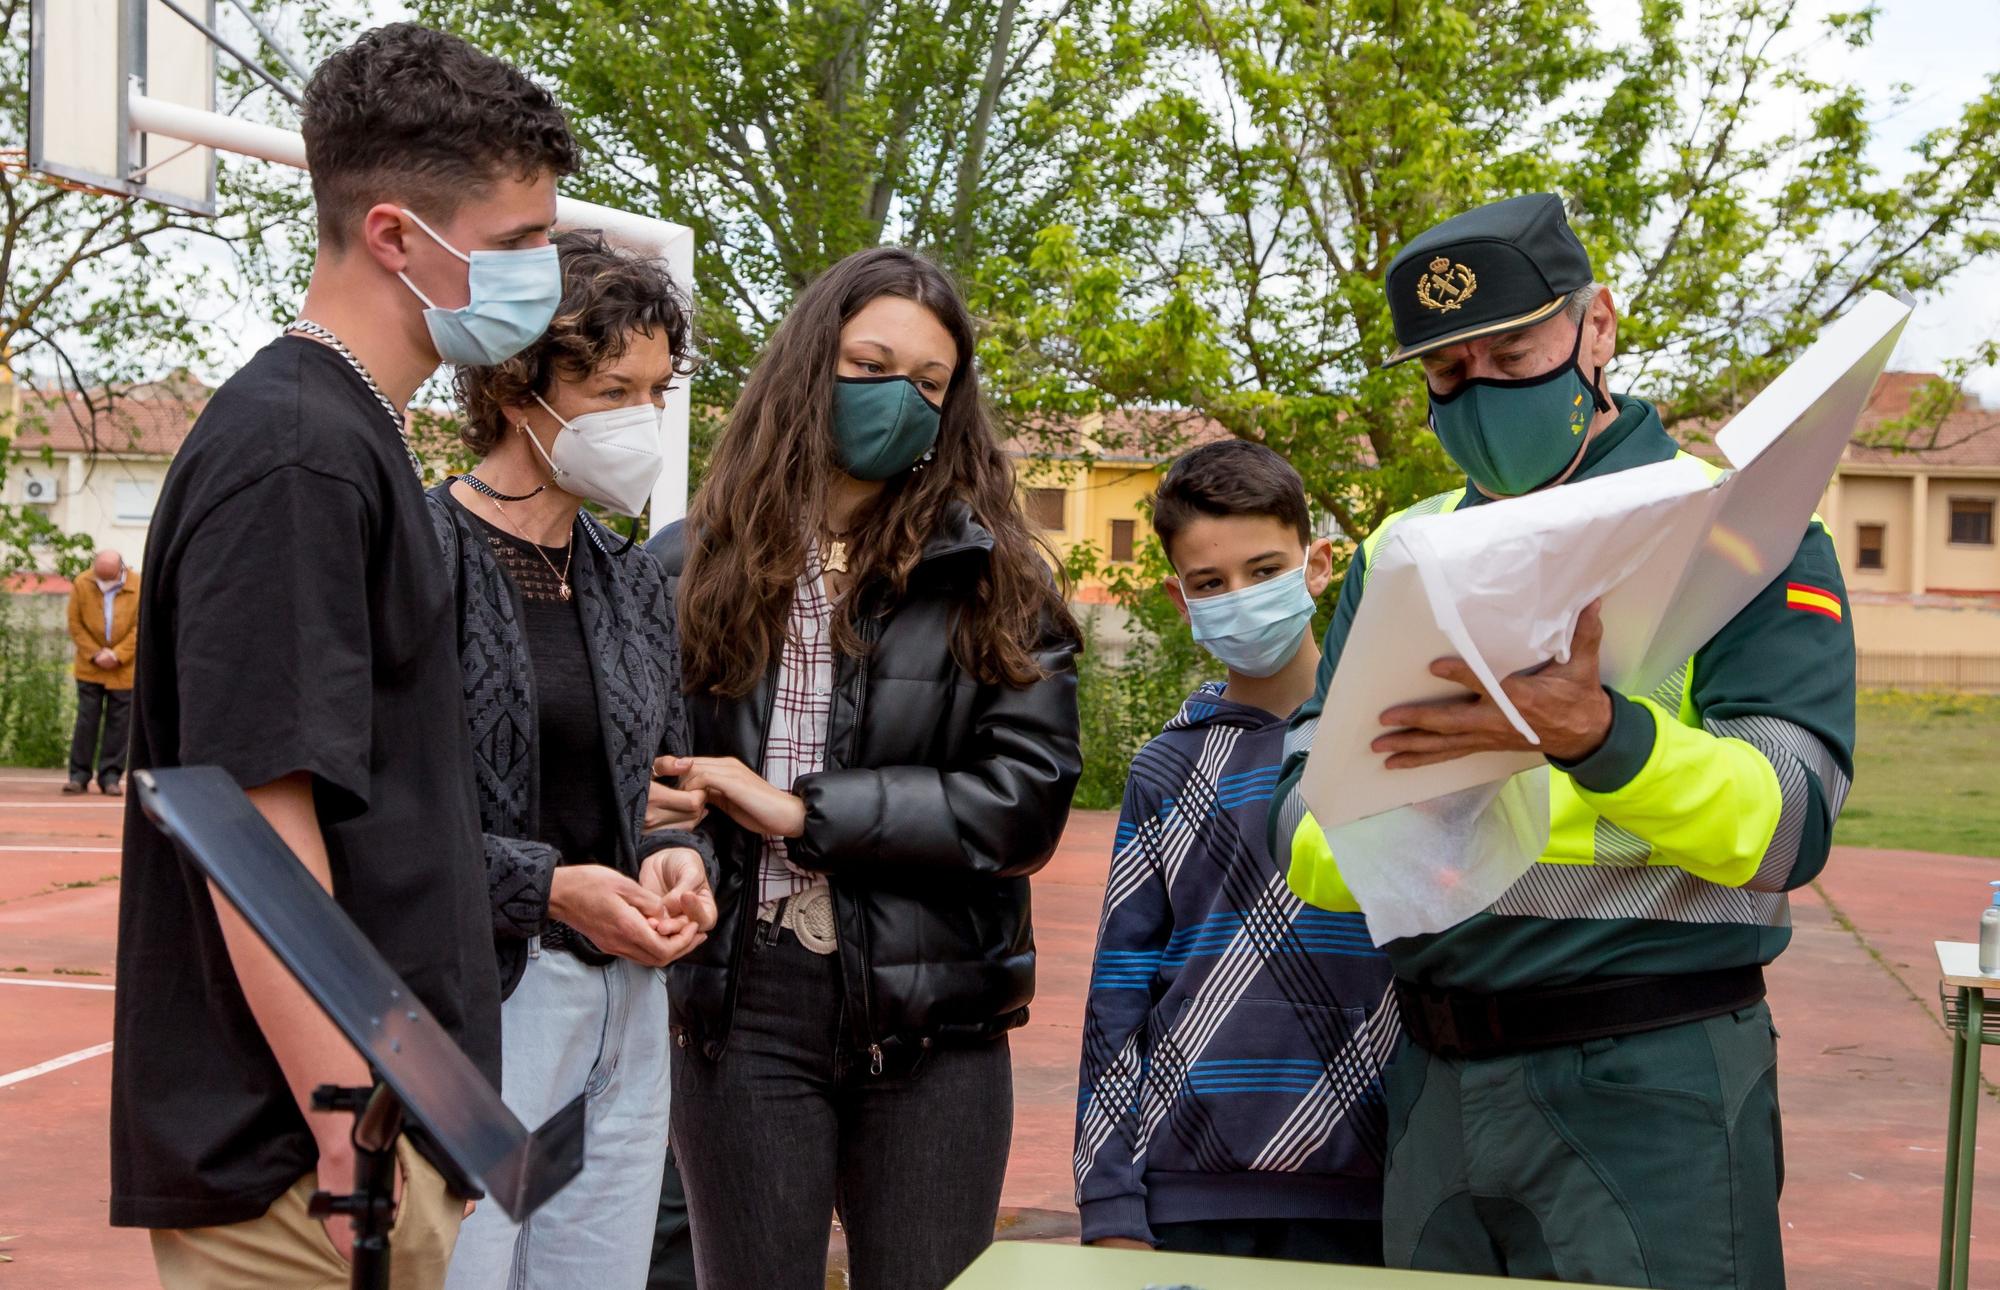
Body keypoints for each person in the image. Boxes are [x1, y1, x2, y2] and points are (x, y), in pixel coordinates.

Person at [1273, 193, 1856, 1287]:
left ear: (1598, 325)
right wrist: (1425, 783)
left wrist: (1601, 740)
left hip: (1655, 1080)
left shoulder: (1743, 529)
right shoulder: (1400, 553)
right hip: (1434, 1076)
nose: (1480, 391)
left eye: (1510, 350)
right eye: (1446, 373)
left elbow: (1791, 820)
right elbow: (1302, 829)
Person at [112, 25, 577, 1290]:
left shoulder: (346, 439)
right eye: (519, 244)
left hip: (370, 1142)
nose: (549, 274)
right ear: (392, 236)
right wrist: (341, 1140)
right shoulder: (299, 457)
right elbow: (256, 829)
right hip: (297, 1172)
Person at [646, 245, 1082, 1290]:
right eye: (870, 365)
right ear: (807, 368)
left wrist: (802, 812)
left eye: (929, 384)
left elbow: (1019, 809)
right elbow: (644, 778)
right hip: (739, 1014)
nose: (900, 398)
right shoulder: (679, 564)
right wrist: (667, 839)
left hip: (935, 1020)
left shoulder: (998, 580)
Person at [435, 229, 717, 1289]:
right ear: (517, 389)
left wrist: (678, 862)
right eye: (610, 389)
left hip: (627, 1003)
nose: (640, 419)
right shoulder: (422, 556)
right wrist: (547, 888)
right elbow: (386, 821)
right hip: (488, 1003)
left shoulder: (630, 573)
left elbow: (660, 778)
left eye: (655, 390)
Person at [1074, 440, 1395, 1265]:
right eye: (1211, 584)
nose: (1240, 598)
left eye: (1264, 569)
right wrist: (1109, 1194)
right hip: (1188, 1185)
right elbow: (1121, 991)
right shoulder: (1164, 767)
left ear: (1317, 564)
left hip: (1372, 1180)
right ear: (1183, 604)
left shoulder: (1395, 741)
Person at [65, 549, 138, 795]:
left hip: (124, 668)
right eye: (100, 577)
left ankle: (111, 777)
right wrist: (96, 653)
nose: (104, 583)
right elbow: (75, 623)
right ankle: (78, 775)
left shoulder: (138, 585)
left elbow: (141, 626)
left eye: (109, 578)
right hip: (90, 666)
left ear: (121, 570)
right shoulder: (82, 583)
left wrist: (118, 654)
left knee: (119, 725)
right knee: (87, 721)